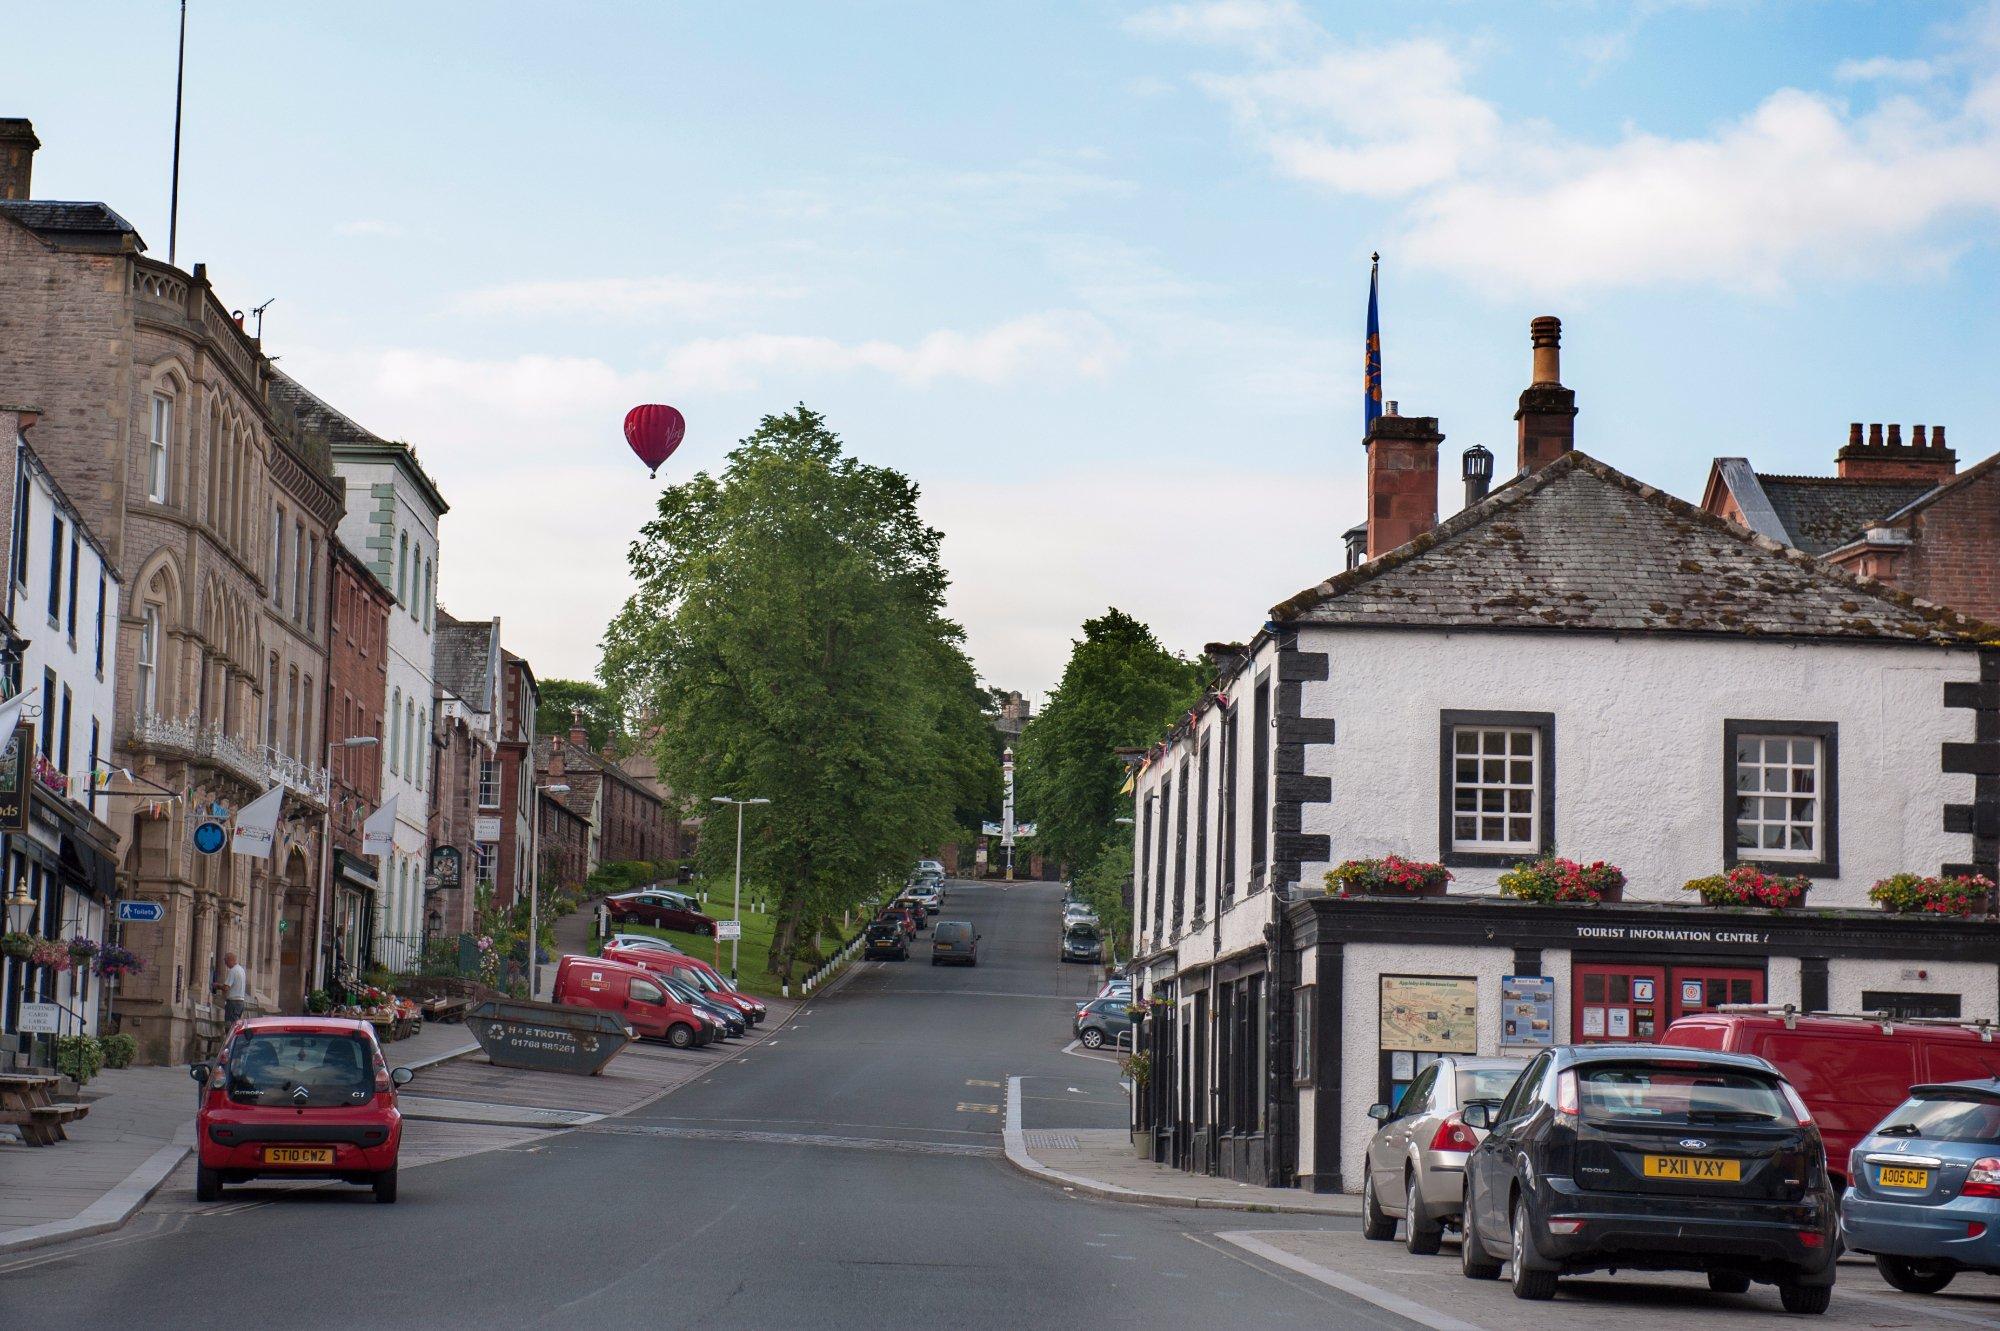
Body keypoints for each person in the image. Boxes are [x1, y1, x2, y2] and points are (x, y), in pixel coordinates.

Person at [215, 951, 247, 1026]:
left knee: (230, 1026)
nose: (226, 964)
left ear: (230, 960)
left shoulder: (233, 971)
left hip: (233, 1003)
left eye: (226, 962)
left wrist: (217, 985)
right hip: (240, 1003)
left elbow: (226, 987)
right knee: (236, 1025)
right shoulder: (241, 970)